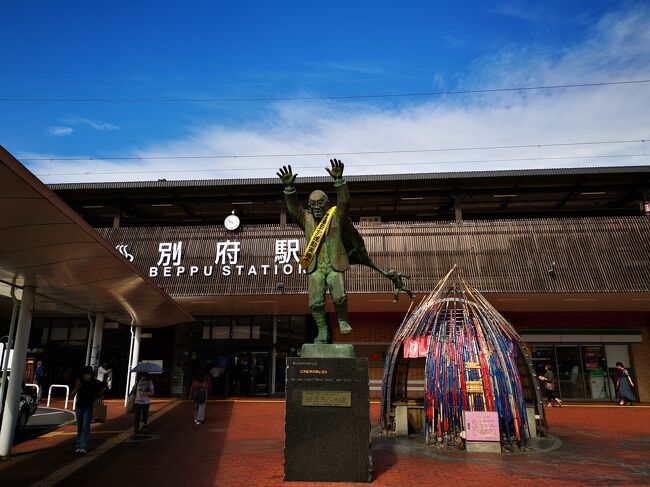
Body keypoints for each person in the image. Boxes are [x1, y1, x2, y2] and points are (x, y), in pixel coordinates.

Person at [71, 366, 106, 454]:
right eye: (85, 374)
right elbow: (72, 395)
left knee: (85, 427)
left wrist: (99, 394)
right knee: (80, 427)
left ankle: (83, 446)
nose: (86, 376)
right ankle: (79, 445)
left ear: (91, 375)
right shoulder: (80, 382)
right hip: (79, 406)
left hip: (88, 407)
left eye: (88, 374)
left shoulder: (95, 383)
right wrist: (76, 388)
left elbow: (105, 387)